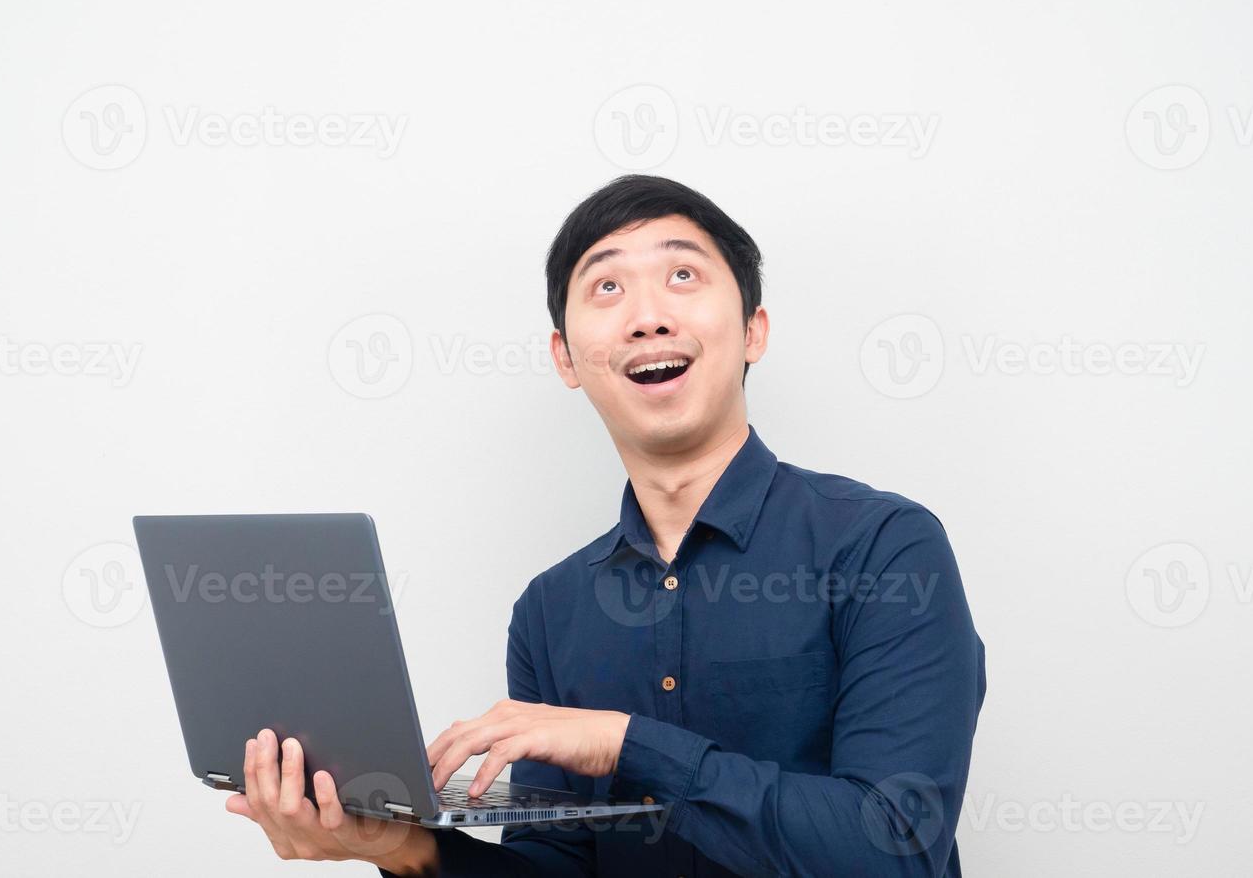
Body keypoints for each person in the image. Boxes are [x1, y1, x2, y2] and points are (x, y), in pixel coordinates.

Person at [224, 175, 987, 877]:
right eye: (607, 286)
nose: (648, 316)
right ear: (565, 356)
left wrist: (624, 742)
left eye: (682, 275)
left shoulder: (884, 548)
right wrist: (393, 844)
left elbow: (897, 848)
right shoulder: (551, 612)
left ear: (753, 330)